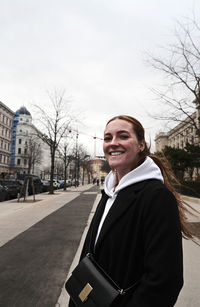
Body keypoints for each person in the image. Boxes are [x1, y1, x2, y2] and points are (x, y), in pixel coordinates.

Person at [68, 115, 195, 307]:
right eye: (108, 138)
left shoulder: (156, 196)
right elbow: (89, 255)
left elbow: (165, 282)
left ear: (141, 145)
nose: (113, 143)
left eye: (123, 136)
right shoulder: (109, 192)